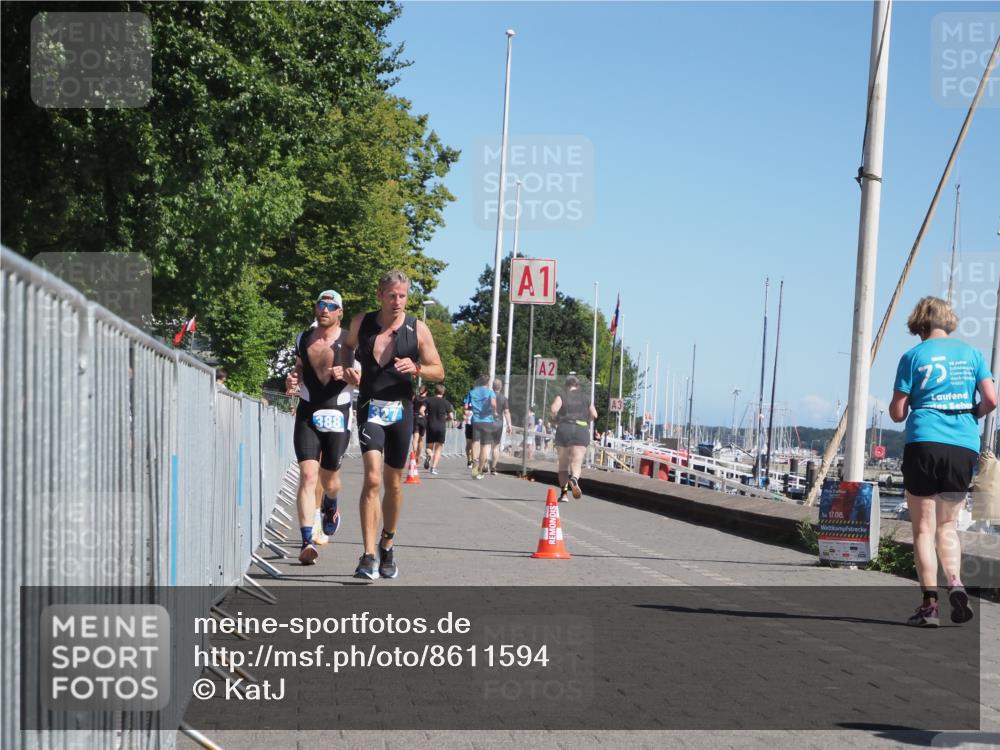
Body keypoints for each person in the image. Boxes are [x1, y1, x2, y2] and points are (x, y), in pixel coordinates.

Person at [889, 296, 997, 627]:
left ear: (919, 323)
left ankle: (930, 607)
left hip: (924, 442)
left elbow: (897, 412)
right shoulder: (972, 354)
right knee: (947, 525)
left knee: (923, 529)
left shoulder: (913, 356)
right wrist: (972, 413)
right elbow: (991, 400)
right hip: (962, 446)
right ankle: (956, 582)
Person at [343, 270, 444, 580]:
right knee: (372, 478)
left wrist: (417, 367)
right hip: (369, 407)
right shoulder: (362, 322)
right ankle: (367, 555)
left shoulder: (417, 328)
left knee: (394, 483)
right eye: (392, 295)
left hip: (401, 411)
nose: (397, 301)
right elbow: (346, 346)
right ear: (380, 295)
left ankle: (387, 543)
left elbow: (439, 370)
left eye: (402, 296)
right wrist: (348, 368)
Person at [285, 290, 353, 565]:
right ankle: (306, 541)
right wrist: (292, 379)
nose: (325, 309)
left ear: (340, 312)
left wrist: (347, 373)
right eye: (321, 304)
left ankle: (331, 504)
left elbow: (363, 378)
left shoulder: (350, 341)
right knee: (307, 475)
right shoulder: (303, 338)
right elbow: (299, 367)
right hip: (308, 410)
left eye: (331, 306)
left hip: (338, 411)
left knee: (330, 481)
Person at [550, 375, 598, 501]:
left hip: (565, 429)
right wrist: (586, 420)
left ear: (566, 385)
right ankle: (574, 479)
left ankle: (564, 494)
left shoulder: (562, 395)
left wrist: (556, 419)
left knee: (563, 465)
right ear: (577, 386)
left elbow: (554, 409)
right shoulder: (586, 397)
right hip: (581, 430)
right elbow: (594, 414)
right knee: (576, 462)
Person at [467, 375, 497, 479]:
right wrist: (495, 411)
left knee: (475, 442)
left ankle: (474, 461)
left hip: (476, 420)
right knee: (485, 445)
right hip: (487, 421)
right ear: (488, 382)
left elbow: (467, 406)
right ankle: (480, 469)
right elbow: (493, 404)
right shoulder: (490, 392)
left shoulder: (472, 392)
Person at [425, 384, 454, 475]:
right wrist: (446, 419)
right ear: (443, 392)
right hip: (441, 427)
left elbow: (422, 410)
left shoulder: (428, 400)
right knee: (438, 448)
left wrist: (426, 417)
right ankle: (433, 468)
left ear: (435, 391)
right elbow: (451, 416)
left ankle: (429, 455)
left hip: (430, 426)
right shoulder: (446, 402)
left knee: (429, 447)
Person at [489, 378, 512, 475]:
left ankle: (484, 466)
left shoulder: (488, 396)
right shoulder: (504, 398)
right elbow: (506, 412)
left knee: (486, 445)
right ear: (501, 387)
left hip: (487, 422)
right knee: (496, 446)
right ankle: (493, 468)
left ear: (492, 386)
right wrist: (509, 425)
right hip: (498, 423)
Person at [412, 384, 429, 468]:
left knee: (415, 438)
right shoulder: (427, 399)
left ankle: (414, 454)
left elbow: (411, 407)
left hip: (415, 418)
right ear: (426, 391)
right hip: (423, 419)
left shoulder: (415, 398)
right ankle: (418, 457)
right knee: (420, 439)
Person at [463, 399, 475, 467]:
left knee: (472, 444)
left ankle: (471, 460)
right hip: (470, 424)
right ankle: (470, 460)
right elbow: (465, 412)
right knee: (470, 444)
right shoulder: (468, 400)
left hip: (473, 424)